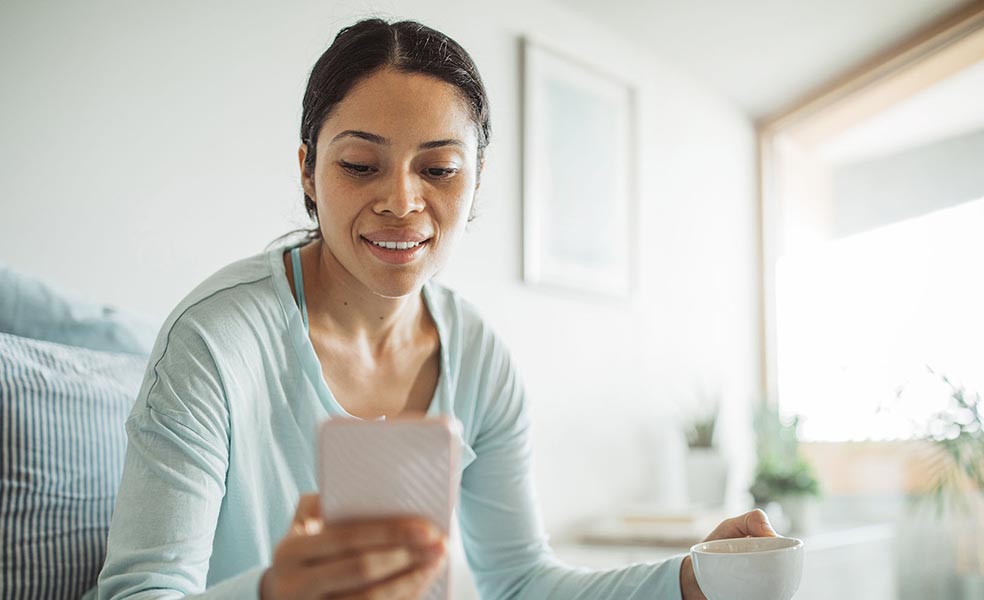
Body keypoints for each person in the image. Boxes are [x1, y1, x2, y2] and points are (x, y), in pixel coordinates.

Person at [92, 18, 777, 600]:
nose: (401, 201)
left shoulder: (478, 356)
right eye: (360, 165)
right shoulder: (214, 342)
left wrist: (688, 579)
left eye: (439, 169)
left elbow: (517, 581)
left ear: (476, 180)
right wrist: (272, 591)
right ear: (307, 169)